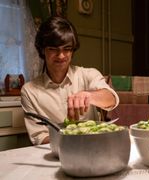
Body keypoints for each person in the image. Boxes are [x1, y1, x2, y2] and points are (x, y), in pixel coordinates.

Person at [21, 16, 119, 145]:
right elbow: (40, 138)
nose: (61, 55)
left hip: (94, 148)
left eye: (66, 49)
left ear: (73, 51)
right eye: (53, 49)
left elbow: (111, 99)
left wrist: (89, 96)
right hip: (55, 154)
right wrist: (70, 136)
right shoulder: (29, 91)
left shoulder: (88, 74)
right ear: (42, 50)